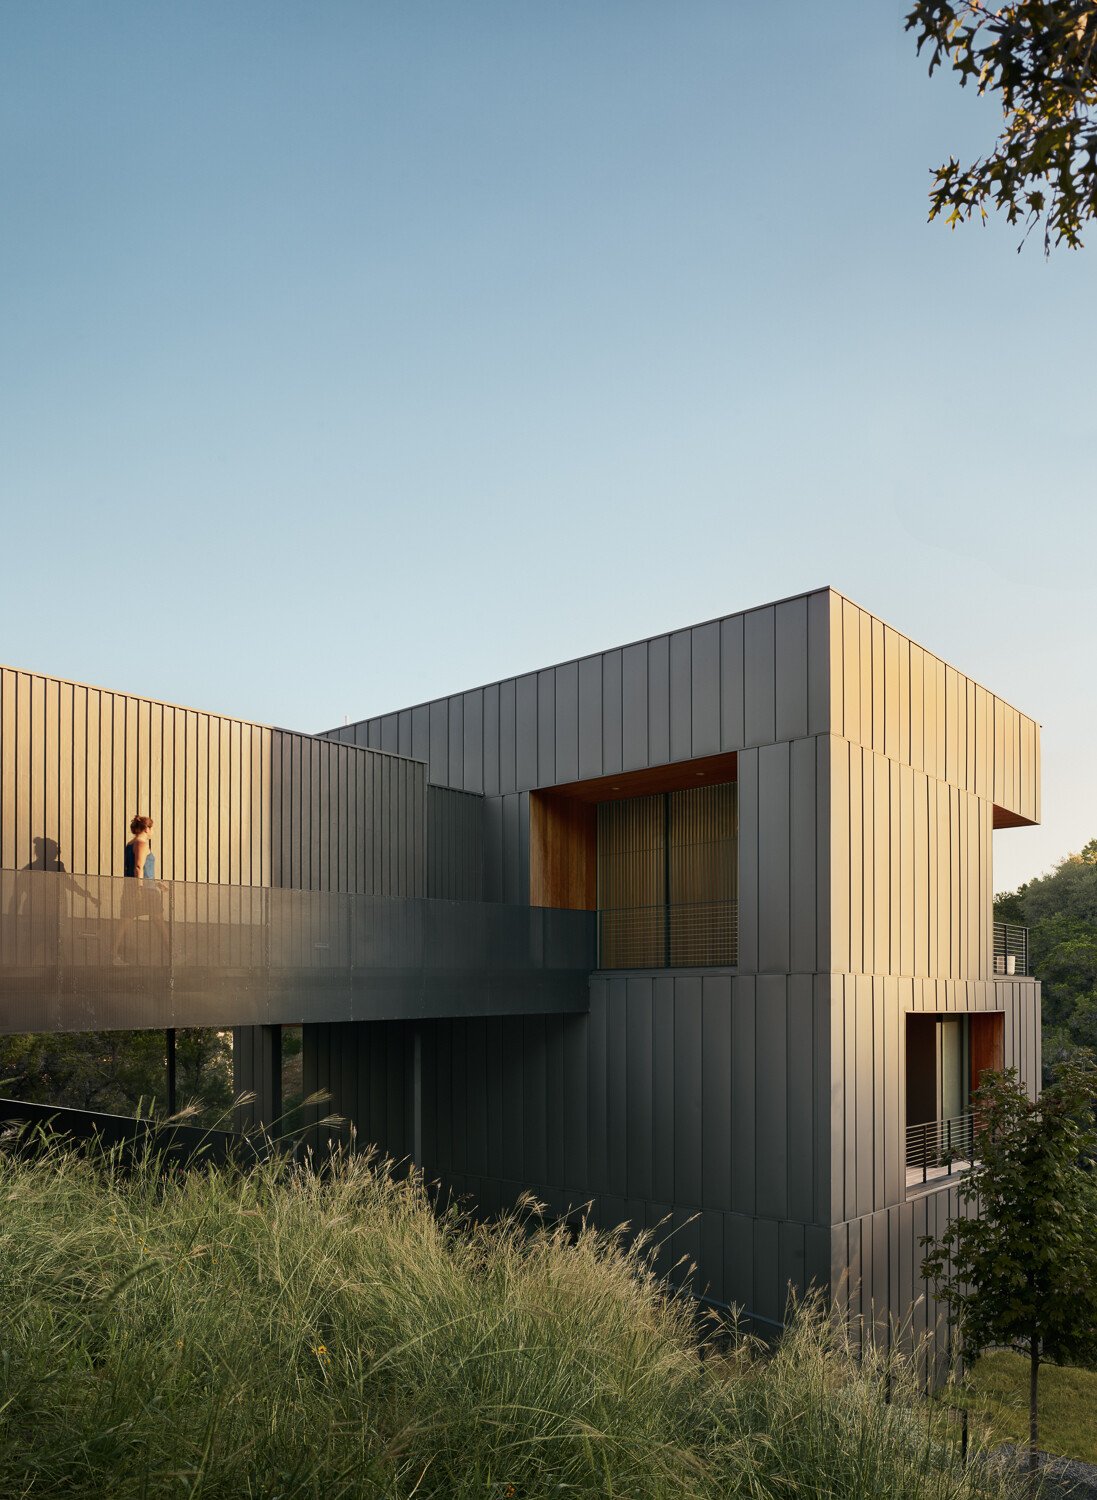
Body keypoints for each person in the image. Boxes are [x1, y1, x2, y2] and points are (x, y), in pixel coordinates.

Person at [112, 815, 169, 965]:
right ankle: (173, 955)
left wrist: (156, 883)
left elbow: (141, 869)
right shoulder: (141, 844)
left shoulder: (130, 844)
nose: (153, 831)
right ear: (146, 829)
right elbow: (138, 868)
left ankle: (112, 956)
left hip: (135, 887)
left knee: (125, 922)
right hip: (145, 891)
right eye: (152, 828)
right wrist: (139, 889)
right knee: (159, 921)